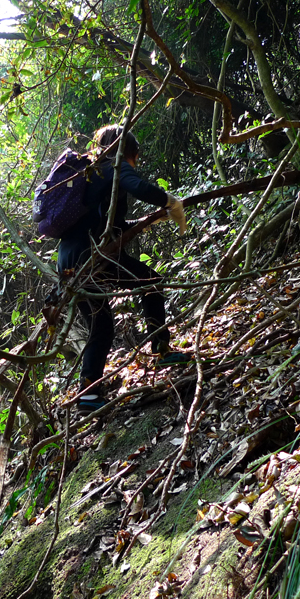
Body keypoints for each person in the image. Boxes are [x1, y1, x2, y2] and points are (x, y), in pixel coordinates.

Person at [57, 125, 190, 413]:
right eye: (135, 156)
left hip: (71, 261)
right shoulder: (112, 166)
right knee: (150, 280)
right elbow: (140, 187)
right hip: (92, 257)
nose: (136, 163)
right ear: (129, 153)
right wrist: (171, 202)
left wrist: (154, 219)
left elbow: (109, 228)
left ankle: (88, 395)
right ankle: (162, 350)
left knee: (100, 325)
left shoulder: (91, 175)